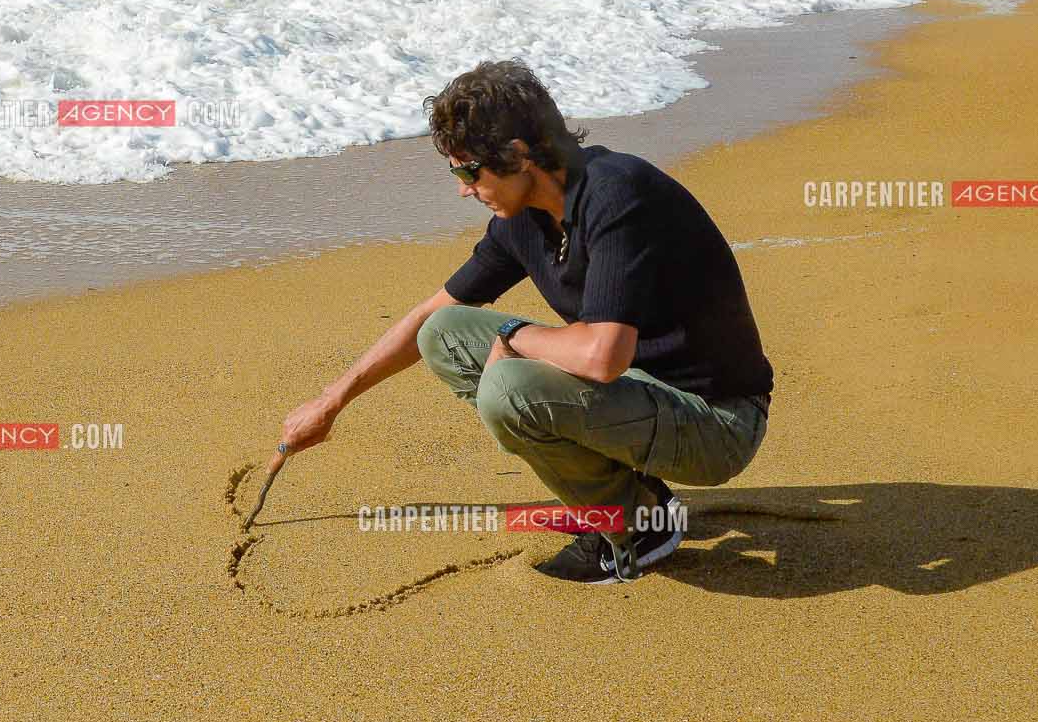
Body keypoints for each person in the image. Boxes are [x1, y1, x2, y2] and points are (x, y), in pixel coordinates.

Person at [275, 59, 775, 583]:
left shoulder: (616, 193)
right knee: (442, 335)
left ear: (517, 155)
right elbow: (433, 313)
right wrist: (333, 400)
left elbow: (604, 358)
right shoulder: (522, 219)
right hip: (643, 395)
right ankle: (621, 488)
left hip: (717, 423)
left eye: (468, 170)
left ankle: (638, 526)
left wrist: (517, 338)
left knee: (507, 387)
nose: (463, 189)